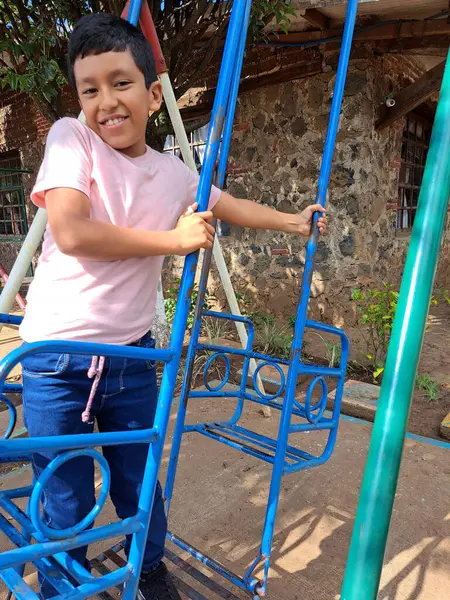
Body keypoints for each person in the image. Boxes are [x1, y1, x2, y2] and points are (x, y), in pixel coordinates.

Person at [19, 12, 327, 600]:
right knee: (63, 492)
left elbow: (228, 204)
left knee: (140, 482)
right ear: (78, 99)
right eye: (91, 89)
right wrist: (175, 241)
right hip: (57, 360)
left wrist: (294, 222)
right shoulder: (71, 137)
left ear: (153, 94)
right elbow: (74, 231)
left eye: (121, 83)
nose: (106, 101)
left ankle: (150, 569)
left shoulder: (173, 173)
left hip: (132, 358)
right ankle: (63, 586)